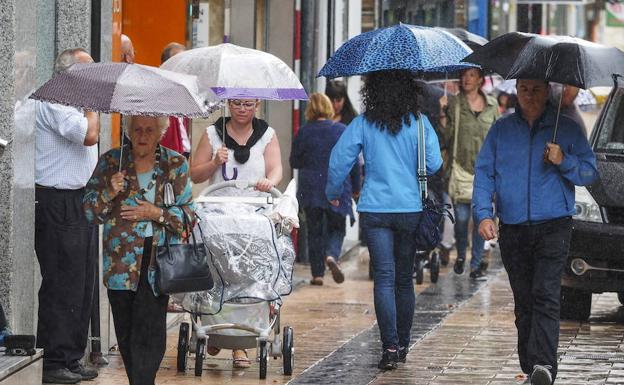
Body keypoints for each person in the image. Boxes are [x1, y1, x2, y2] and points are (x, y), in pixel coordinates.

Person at [473, 78, 598, 385]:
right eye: (524, 89)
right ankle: (532, 367)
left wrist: (562, 160)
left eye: (536, 89)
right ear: (517, 91)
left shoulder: (566, 128)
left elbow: (589, 171)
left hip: (554, 225)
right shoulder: (501, 130)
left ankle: (544, 365)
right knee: (524, 301)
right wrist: (483, 215)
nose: (529, 95)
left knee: (546, 295)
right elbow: (484, 173)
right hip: (514, 228)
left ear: (547, 92)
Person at [326, 70, 442, 370]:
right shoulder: (419, 124)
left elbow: (340, 159)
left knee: (384, 278)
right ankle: (403, 343)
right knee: (404, 279)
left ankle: (389, 347)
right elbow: (434, 163)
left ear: (372, 91)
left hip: (375, 209)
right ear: (409, 90)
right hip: (409, 209)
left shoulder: (364, 123)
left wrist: (332, 191)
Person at [83, 115, 195, 385]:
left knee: (150, 330)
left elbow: (189, 217)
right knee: (126, 332)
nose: (142, 136)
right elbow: (89, 212)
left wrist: (156, 213)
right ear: (128, 132)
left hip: (158, 259)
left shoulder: (175, 164)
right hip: (120, 263)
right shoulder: (111, 162)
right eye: (137, 130)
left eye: (149, 130)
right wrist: (110, 191)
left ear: (160, 133)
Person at [191, 98, 282, 368]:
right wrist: (213, 164)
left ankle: (240, 344)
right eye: (237, 103)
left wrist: (271, 181)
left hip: (253, 218)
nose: (243, 109)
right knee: (217, 273)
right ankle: (215, 327)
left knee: (247, 276)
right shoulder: (212, 134)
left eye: (248, 104)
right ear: (229, 105)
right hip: (219, 217)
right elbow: (195, 174)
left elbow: (276, 168)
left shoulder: (267, 135)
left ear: (257, 106)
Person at [35, 48, 100, 384]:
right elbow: (90, 135)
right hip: (57, 200)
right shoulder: (55, 101)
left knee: (82, 282)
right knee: (62, 281)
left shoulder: (75, 104)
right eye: (88, 74)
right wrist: (92, 104)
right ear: (71, 75)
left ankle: (72, 356)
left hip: (80, 199)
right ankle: (54, 359)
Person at [290, 93, 359, 285]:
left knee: (314, 231)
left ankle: (317, 274)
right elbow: (352, 162)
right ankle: (332, 255)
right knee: (337, 228)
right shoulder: (342, 130)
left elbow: (294, 161)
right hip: (337, 188)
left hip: (311, 189)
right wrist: (356, 188)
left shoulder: (303, 132)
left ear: (309, 110)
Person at [442, 68, 499, 279]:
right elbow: (446, 138)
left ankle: (475, 264)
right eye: (464, 74)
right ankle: (460, 254)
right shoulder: (454, 104)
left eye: (472, 75)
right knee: (462, 219)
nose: (467, 79)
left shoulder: (492, 106)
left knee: (480, 219)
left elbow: (498, 139)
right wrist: (443, 113)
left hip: (485, 174)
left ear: (480, 80)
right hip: (461, 171)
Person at [159, 42, 192, 158]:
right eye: (180, 62)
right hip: (165, 157)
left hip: (184, 155)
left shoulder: (187, 92)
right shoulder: (157, 91)